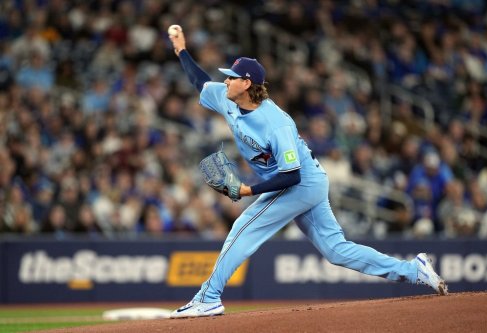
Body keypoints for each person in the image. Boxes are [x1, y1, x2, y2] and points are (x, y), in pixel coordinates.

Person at [167, 26, 448, 319]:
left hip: (302, 183)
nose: (225, 81)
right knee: (336, 251)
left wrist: (249, 190)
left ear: (247, 83)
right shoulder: (228, 98)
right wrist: (181, 50)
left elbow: (292, 176)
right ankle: (414, 270)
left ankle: (208, 297)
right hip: (302, 182)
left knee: (243, 228)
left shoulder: (276, 123)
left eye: (232, 77)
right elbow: (199, 81)